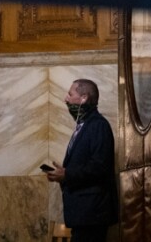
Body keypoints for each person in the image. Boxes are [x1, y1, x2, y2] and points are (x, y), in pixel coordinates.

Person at [45, 78, 118, 242]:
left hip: (92, 214)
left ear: (84, 98)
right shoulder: (85, 125)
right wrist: (62, 176)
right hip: (84, 215)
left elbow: (100, 167)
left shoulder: (98, 125)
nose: (66, 98)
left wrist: (67, 174)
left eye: (70, 94)